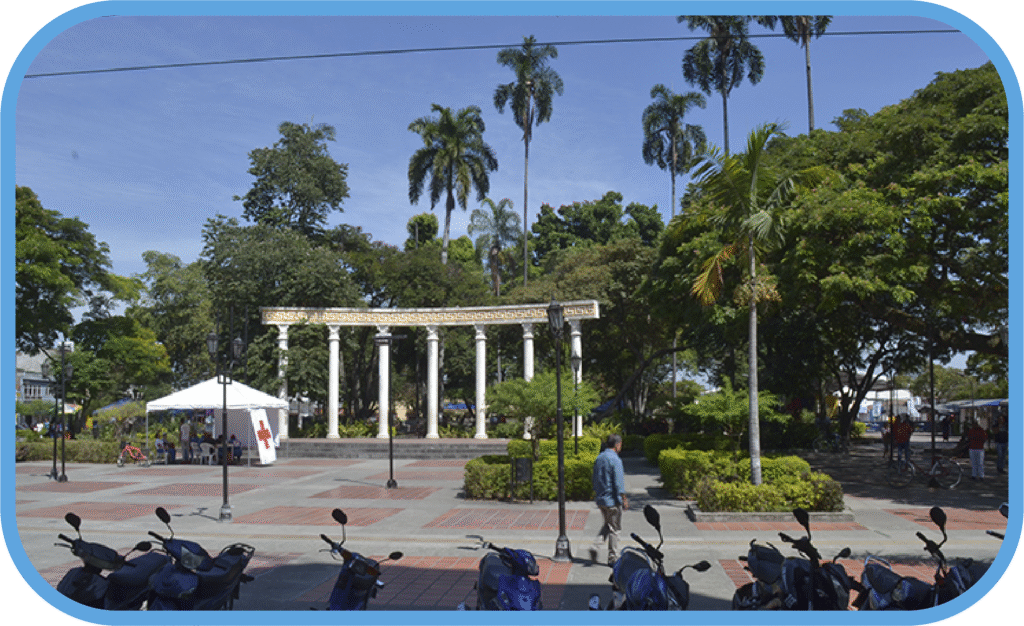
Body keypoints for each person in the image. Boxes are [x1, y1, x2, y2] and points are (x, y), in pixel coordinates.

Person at [589, 434, 628, 567]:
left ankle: (595, 546)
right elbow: (618, 483)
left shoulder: (599, 458)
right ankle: (613, 558)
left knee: (607, 525)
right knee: (615, 529)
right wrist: (623, 499)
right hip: (612, 500)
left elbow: (594, 478)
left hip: (601, 499)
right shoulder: (615, 460)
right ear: (617, 445)